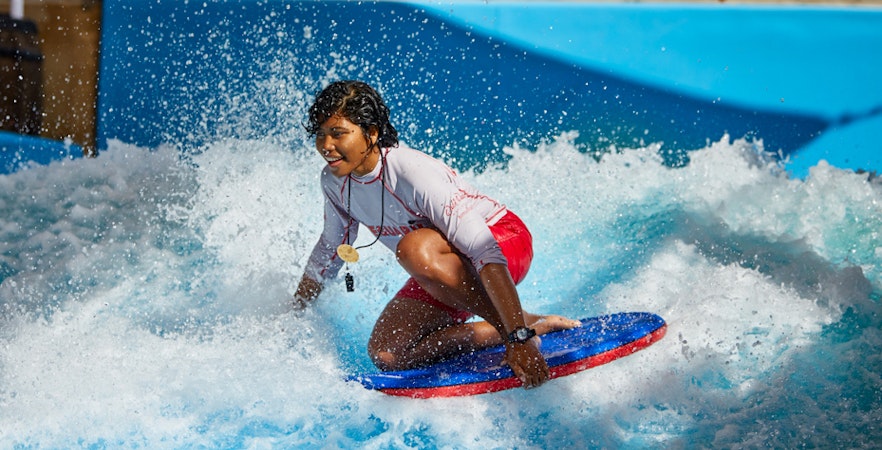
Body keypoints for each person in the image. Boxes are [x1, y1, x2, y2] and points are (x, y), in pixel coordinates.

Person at [293, 80, 579, 389]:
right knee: (389, 353)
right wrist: (296, 309)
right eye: (320, 134)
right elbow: (331, 249)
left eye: (338, 133)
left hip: (504, 241)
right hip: (443, 266)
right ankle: (530, 323)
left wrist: (518, 340)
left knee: (414, 249)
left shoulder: (410, 171)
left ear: (372, 133)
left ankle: (518, 330)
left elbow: (484, 251)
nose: (326, 145)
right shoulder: (335, 182)